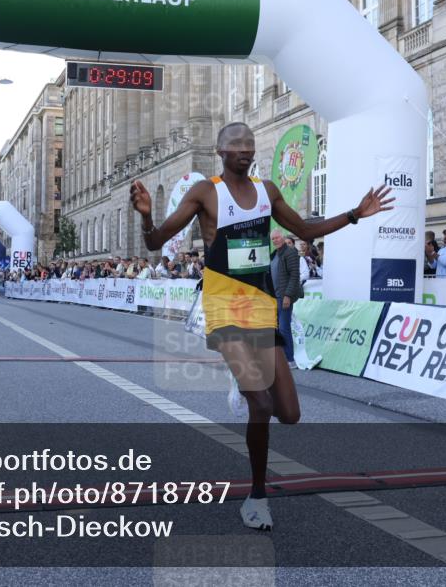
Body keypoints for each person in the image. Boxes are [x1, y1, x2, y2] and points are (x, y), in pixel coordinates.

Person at [129, 122, 393, 531]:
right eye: (236, 144)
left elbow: (304, 230)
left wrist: (355, 214)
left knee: (289, 414)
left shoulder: (268, 192)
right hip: (222, 306)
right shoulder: (205, 192)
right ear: (220, 149)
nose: (245, 150)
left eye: (250, 144)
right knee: (263, 406)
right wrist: (147, 219)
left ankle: (242, 381)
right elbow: (154, 241)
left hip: (261, 306)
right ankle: (256, 497)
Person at [270, 229, 302, 368]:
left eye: (277, 237)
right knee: (276, 329)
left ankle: (290, 360)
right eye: (273, 239)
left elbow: (294, 276)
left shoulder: (290, 253)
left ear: (282, 237)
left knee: (284, 328)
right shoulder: (274, 255)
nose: (275, 240)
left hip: (284, 297)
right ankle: (281, 358)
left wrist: (287, 296)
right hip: (274, 297)